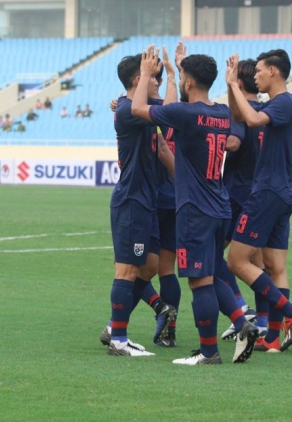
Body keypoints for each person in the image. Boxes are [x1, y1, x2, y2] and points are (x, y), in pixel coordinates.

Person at [133, 46, 259, 365]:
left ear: (189, 83)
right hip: (219, 204)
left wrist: (146, 74)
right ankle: (241, 322)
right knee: (213, 274)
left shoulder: (184, 114)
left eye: (182, 78)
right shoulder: (221, 113)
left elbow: (137, 109)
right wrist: (180, 71)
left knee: (199, 281)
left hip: (194, 209)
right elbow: (207, 112)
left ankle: (208, 352)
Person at [226, 50, 292, 354]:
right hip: (282, 191)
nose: (256, 76)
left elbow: (250, 120)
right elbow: (239, 115)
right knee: (275, 266)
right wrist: (231, 86)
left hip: (267, 192)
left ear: (273, 71)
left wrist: (234, 85)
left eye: (259, 71)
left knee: (236, 260)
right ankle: (273, 337)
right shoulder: (280, 104)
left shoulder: (283, 102)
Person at [100, 52, 177, 358]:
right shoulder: (128, 110)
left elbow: (170, 112)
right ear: (139, 79)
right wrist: (149, 74)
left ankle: (117, 328)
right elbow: (160, 109)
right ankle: (118, 338)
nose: (157, 81)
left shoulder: (138, 108)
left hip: (146, 200)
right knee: (127, 270)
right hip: (132, 199)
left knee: (149, 266)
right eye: (153, 77)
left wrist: (169, 74)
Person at [220, 58, 268, 341]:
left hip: (236, 194)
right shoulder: (268, 112)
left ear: (237, 83)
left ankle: (240, 308)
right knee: (258, 261)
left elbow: (233, 141)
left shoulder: (238, 112)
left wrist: (206, 137)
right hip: (260, 193)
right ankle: (263, 321)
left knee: (212, 255)